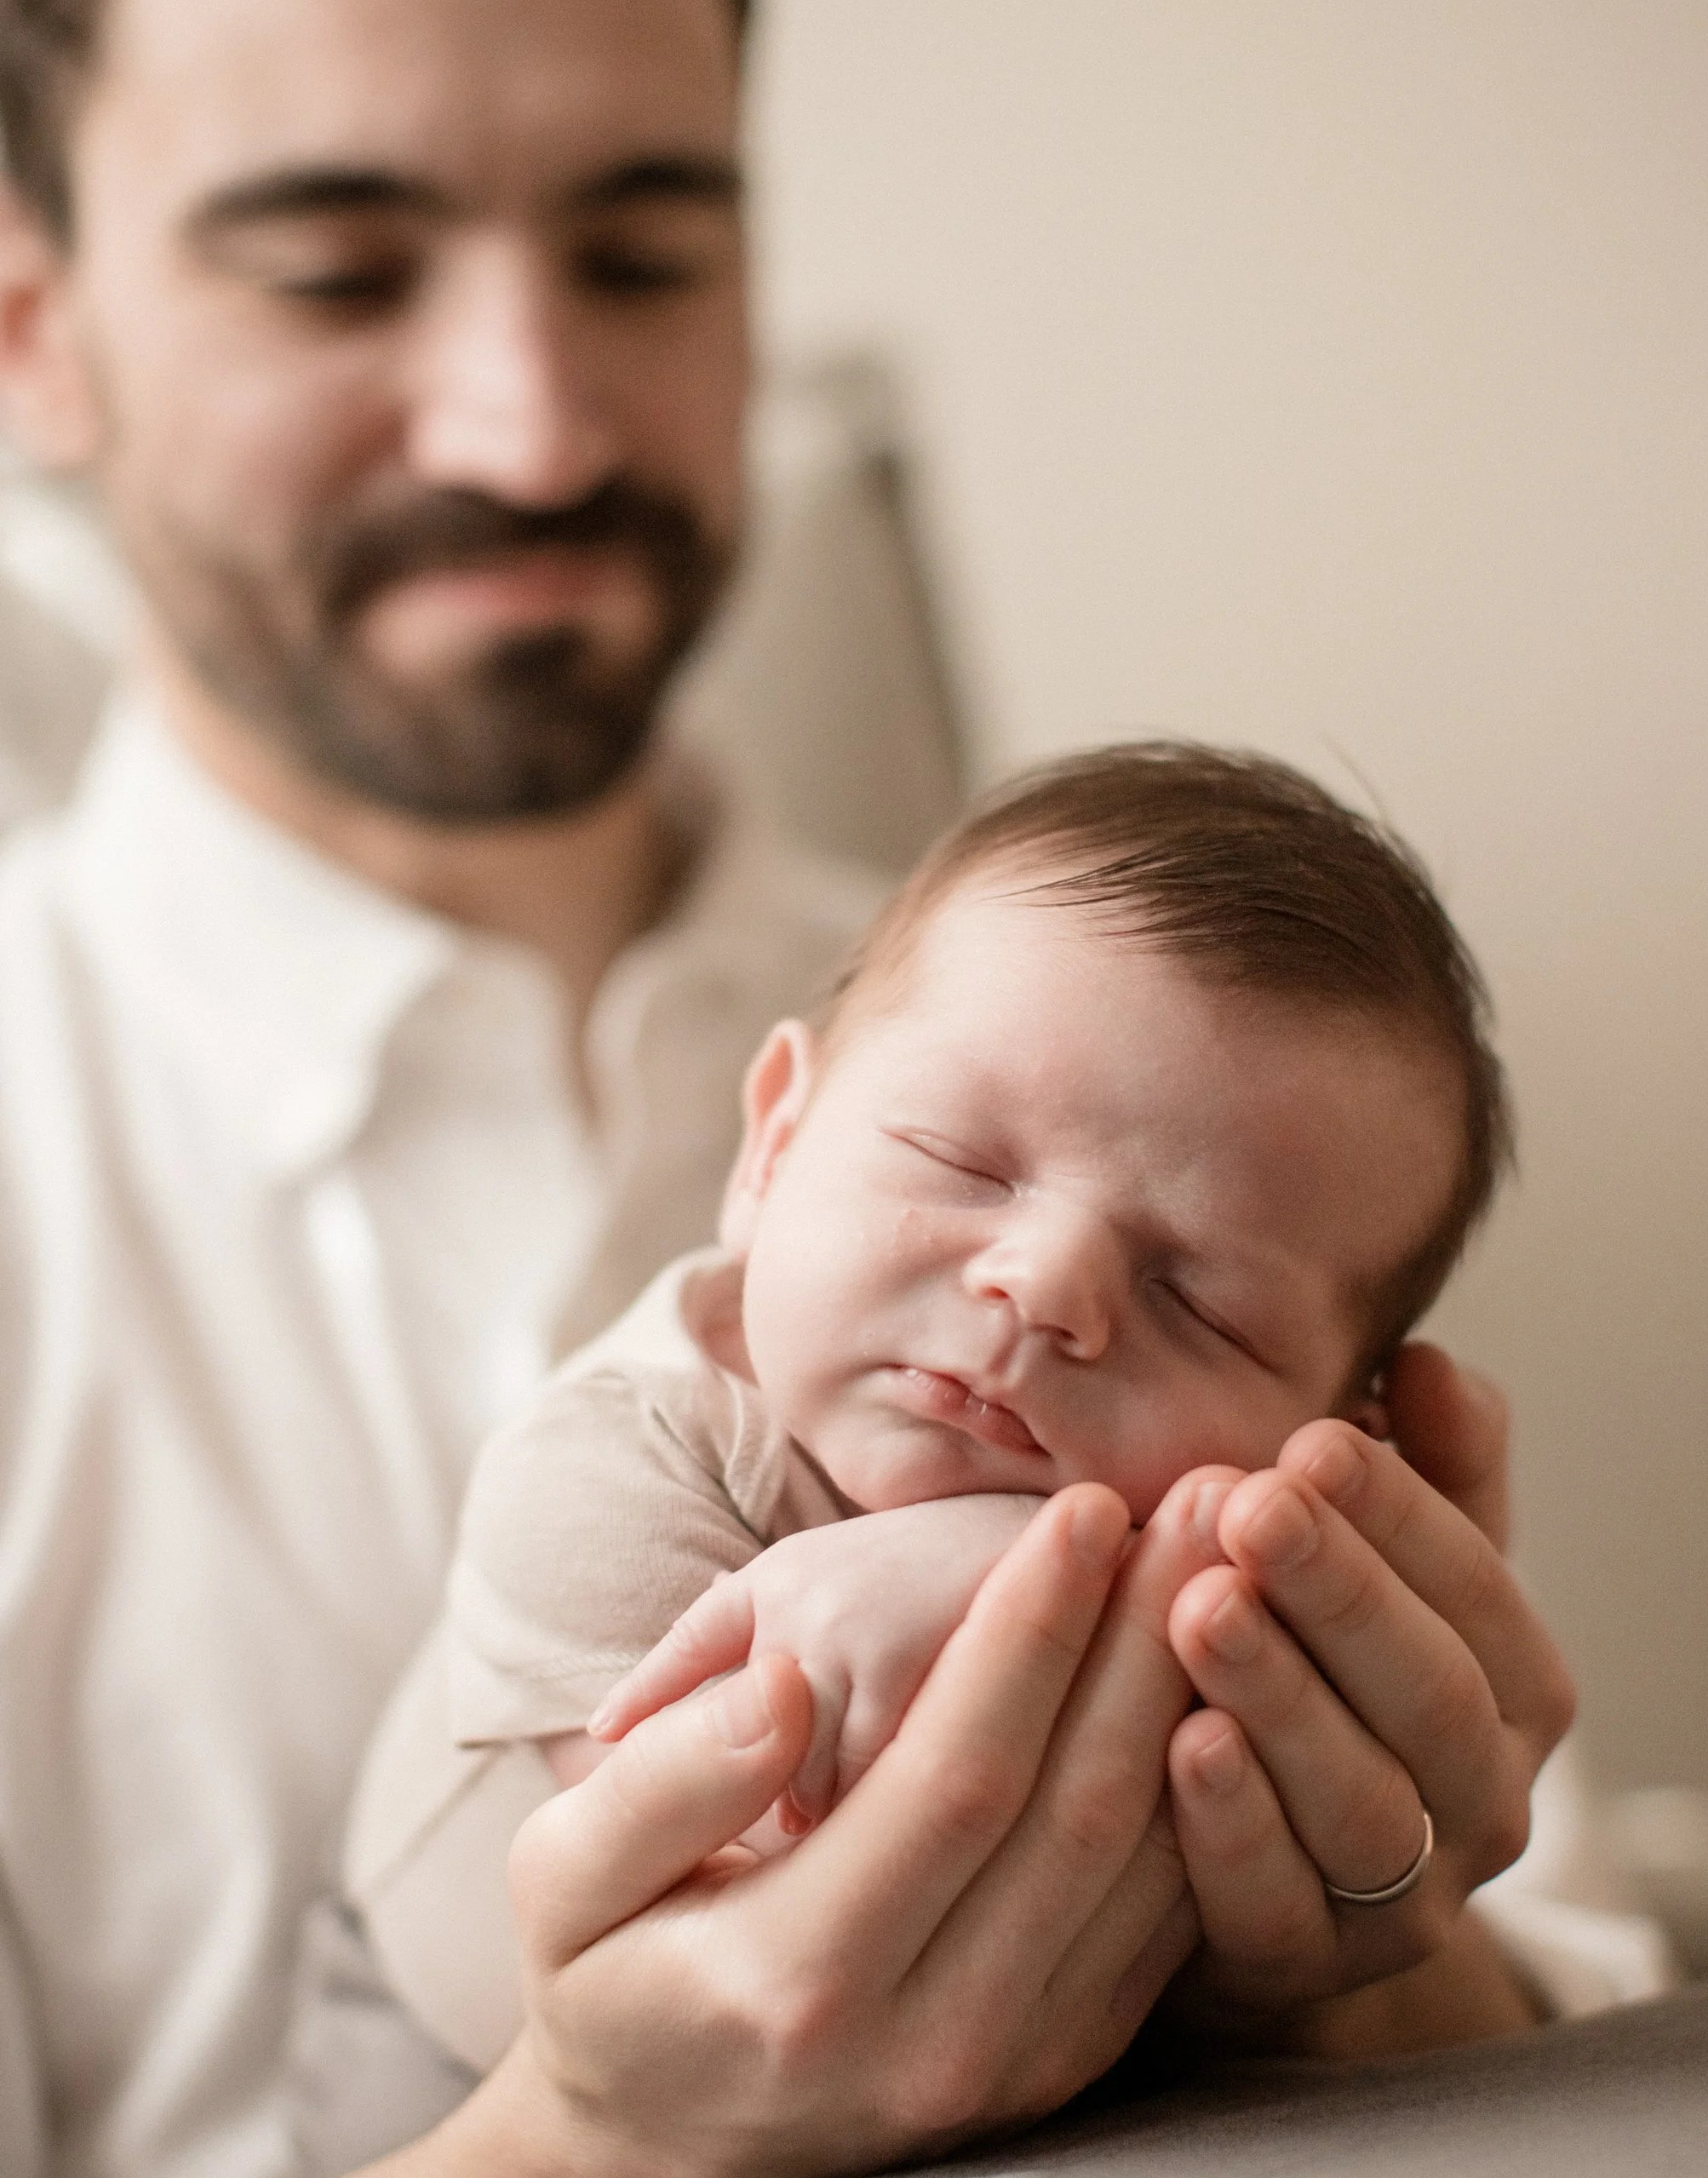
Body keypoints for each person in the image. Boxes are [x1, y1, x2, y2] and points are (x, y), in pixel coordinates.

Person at [0, 0, 1579, 2178]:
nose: (534, 413)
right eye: (341, 264)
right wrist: (564, 2168)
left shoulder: (1138, 1085)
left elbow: (1578, 2015)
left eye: (643, 247)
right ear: (35, 338)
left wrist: (1374, 1981)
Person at [335, 740, 1515, 2083]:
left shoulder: (1273, 1590)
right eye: (961, 1162)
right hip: (445, 2064)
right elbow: (784, 1922)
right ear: (773, 1143)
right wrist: (1015, 1576)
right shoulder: (610, 1457)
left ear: (1343, 1436)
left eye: (1205, 1303)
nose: (1045, 1283)